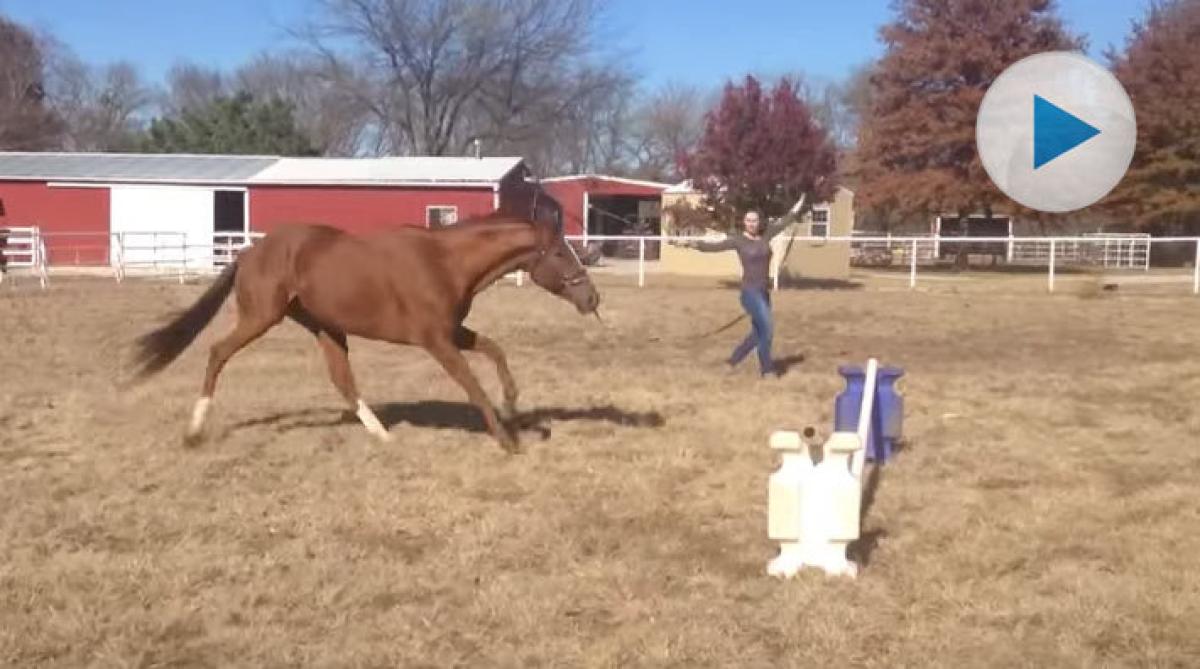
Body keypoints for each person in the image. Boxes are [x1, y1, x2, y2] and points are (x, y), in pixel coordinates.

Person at [678, 209, 792, 378]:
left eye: (755, 220)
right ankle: (767, 369)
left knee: (758, 332)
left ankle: (733, 361)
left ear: (759, 222)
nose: (752, 223)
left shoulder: (766, 236)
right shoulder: (739, 241)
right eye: (749, 220)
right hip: (749, 292)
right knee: (767, 329)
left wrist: (799, 204)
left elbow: (784, 222)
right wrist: (691, 243)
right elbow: (714, 247)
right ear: (744, 222)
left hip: (763, 292)